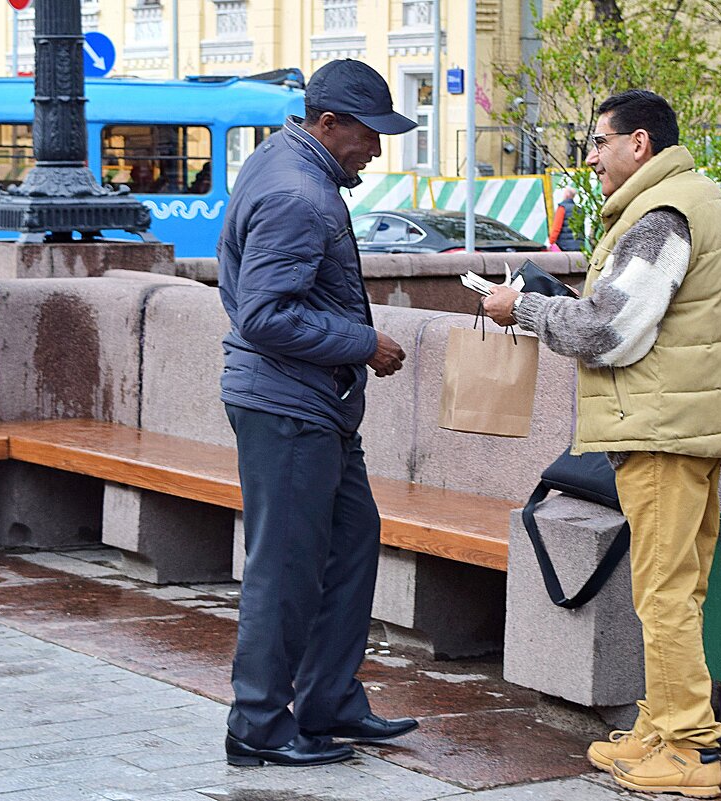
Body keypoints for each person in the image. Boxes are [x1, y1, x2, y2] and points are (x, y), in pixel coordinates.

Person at [483, 89, 721, 798]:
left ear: (639, 143)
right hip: (684, 426)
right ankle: (660, 728)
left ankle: (690, 750)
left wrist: (528, 307)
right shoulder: (692, 198)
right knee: (679, 587)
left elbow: (606, 332)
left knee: (663, 592)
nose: (593, 159)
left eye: (598, 143)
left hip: (662, 431)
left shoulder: (661, 215)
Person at [217, 58, 419, 768]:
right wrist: (364, 341)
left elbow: (248, 293)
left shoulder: (281, 159)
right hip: (289, 405)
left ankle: (329, 698)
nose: (377, 148)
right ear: (327, 124)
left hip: (310, 402)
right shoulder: (301, 193)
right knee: (286, 566)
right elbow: (268, 315)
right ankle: (259, 724)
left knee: (354, 534)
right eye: (369, 134)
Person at [548, 187, 582, 251]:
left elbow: (557, 228)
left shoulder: (562, 208)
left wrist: (550, 242)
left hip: (565, 246)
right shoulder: (579, 210)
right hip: (578, 246)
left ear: (566, 195)